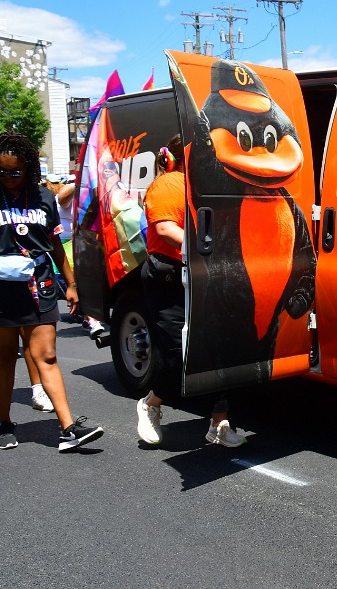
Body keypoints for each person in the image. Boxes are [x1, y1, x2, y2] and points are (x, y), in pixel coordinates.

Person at [0, 132, 103, 451]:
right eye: (2, 171)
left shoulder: (43, 197)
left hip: (40, 286)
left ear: (28, 168)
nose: (8, 178)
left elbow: (56, 245)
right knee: (5, 356)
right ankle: (4, 423)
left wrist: (71, 284)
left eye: (15, 172)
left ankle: (68, 428)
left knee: (46, 355)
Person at [136, 136, 246, 448]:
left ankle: (219, 422)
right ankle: (151, 403)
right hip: (172, 279)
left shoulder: (214, 184)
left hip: (207, 276)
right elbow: (166, 229)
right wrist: (209, 250)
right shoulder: (171, 182)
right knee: (176, 354)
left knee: (222, 351)